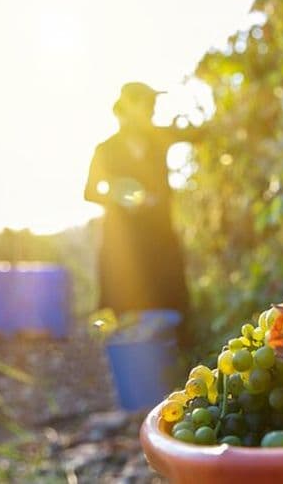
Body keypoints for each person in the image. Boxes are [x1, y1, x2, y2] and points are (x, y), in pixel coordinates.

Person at [84, 82, 203, 349]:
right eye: (147, 104)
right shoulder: (107, 149)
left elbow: (198, 134)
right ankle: (135, 373)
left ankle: (178, 375)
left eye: (154, 105)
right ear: (128, 108)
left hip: (161, 238)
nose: (152, 110)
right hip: (123, 245)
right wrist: (118, 197)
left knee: (171, 302)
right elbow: (89, 192)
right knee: (127, 308)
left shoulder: (159, 137)